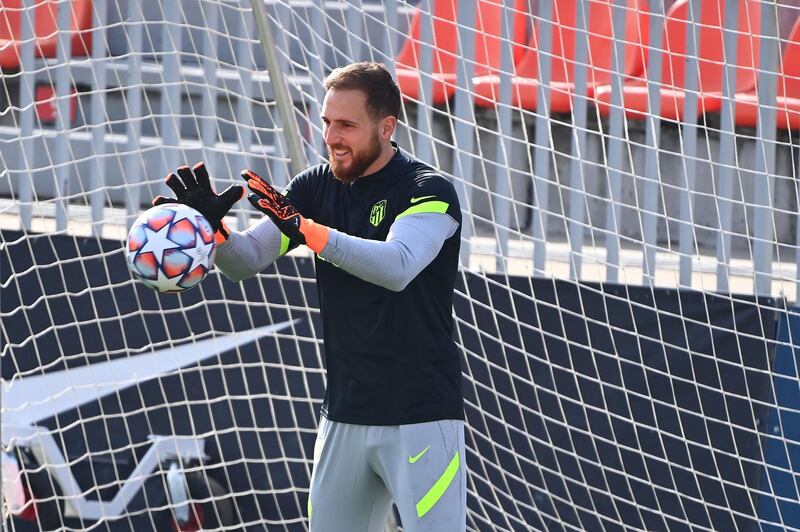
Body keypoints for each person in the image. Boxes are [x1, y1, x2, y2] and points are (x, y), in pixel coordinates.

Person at [153, 62, 466, 532]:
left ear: (386, 127)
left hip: (420, 418)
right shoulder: (314, 186)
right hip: (344, 413)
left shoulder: (428, 191)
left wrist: (306, 229)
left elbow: (397, 266)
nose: (332, 136)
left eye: (346, 125)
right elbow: (246, 261)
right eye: (325, 122)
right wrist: (212, 230)